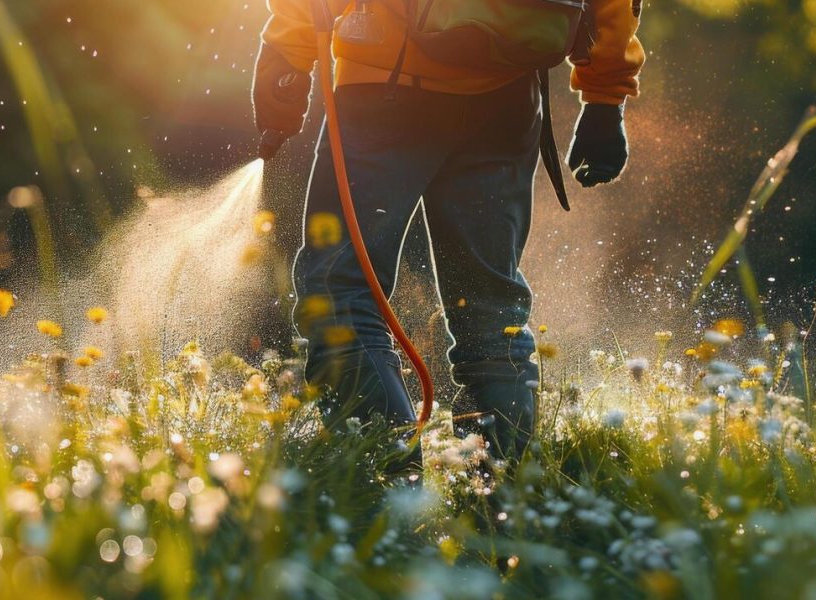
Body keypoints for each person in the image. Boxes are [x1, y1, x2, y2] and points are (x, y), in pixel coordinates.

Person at [252, 0, 645, 468]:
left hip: (384, 88)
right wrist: (605, 98)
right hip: (508, 99)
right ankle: (500, 492)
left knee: (342, 292)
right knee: (491, 308)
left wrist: (285, 57)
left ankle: (385, 486)